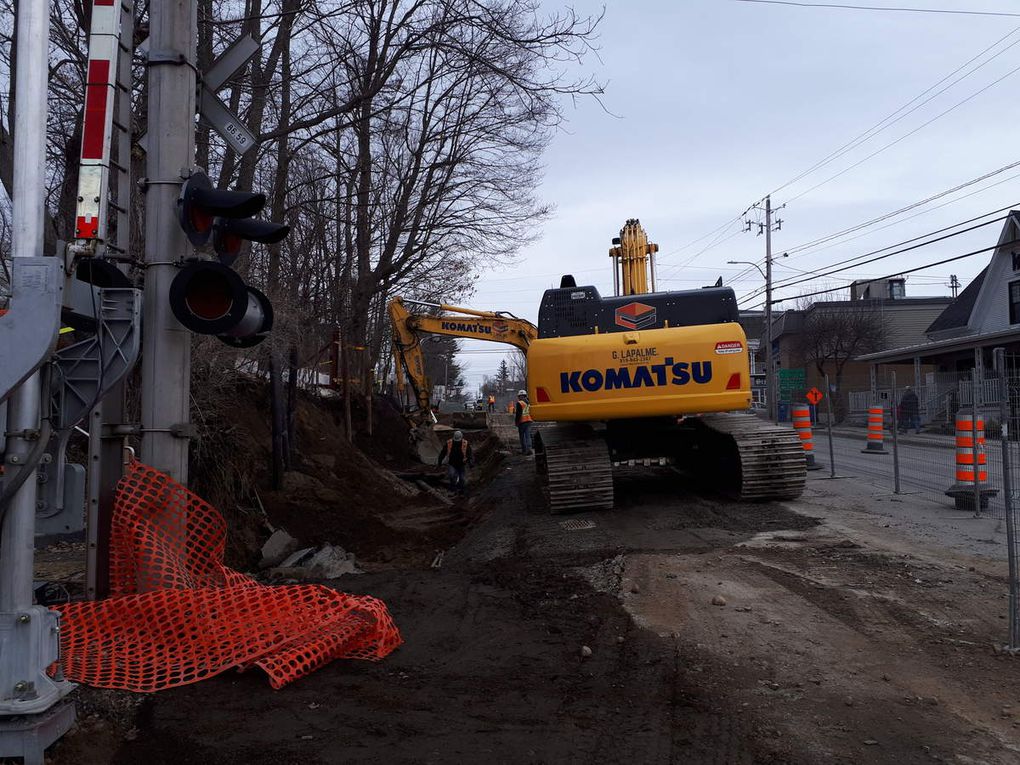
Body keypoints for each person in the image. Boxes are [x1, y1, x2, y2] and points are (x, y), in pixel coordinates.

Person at [437, 430, 473, 495]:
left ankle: (461, 490)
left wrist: (471, 462)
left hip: (461, 464)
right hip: (452, 463)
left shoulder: (465, 444)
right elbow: (443, 453)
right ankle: (453, 489)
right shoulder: (449, 443)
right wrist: (440, 461)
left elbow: (470, 454)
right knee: (452, 475)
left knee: (462, 478)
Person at [514, 389, 533, 455]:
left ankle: (524, 450)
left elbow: (518, 414)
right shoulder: (529, 402)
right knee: (528, 436)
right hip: (529, 420)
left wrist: (516, 422)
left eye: (519, 396)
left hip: (522, 422)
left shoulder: (520, 403)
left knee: (522, 437)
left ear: (521, 396)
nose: (518, 398)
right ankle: (529, 449)